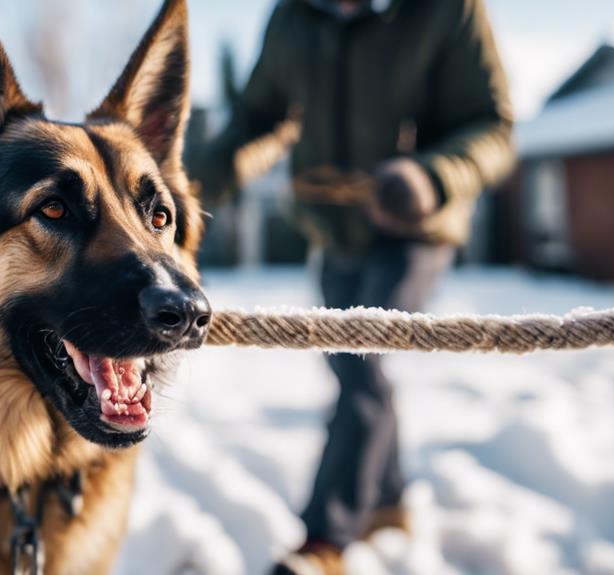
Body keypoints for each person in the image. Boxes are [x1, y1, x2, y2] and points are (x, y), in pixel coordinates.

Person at [188, 0, 514, 572]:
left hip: (415, 227)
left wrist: (434, 177)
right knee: (358, 369)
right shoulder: (292, 17)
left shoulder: (447, 12)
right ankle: (387, 502)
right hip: (334, 230)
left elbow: (492, 127)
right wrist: (197, 182)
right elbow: (259, 116)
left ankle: (326, 540)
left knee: (360, 361)